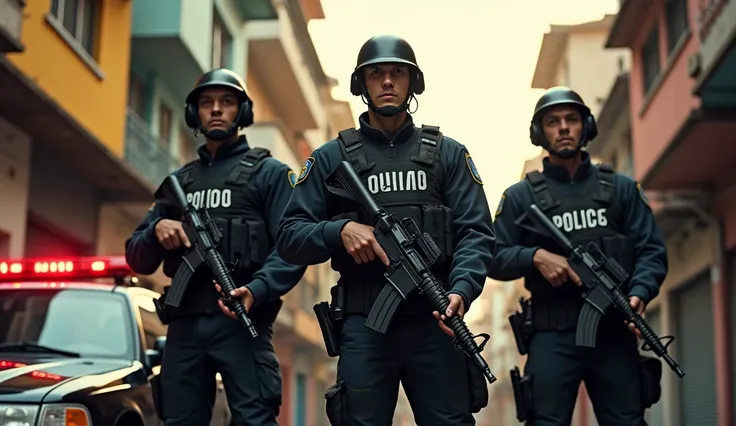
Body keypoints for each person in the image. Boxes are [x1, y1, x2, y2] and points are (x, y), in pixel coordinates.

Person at [275, 35, 495, 426]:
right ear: (363, 84)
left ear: (413, 83)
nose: (388, 82)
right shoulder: (331, 158)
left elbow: (476, 233)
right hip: (365, 325)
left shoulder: (447, 153)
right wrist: (338, 231)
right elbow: (290, 236)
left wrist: (462, 289)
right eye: (377, 74)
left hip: (436, 321)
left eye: (398, 73)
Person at [125, 68, 306, 426]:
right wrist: (157, 229)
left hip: (243, 321)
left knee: (254, 420)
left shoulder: (269, 174)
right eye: (207, 103)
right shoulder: (179, 182)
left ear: (242, 112)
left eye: (227, 101)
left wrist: (257, 289)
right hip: (184, 326)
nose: (217, 110)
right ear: (195, 114)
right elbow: (136, 256)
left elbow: (292, 247)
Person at [490, 86, 668, 426]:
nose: (563, 128)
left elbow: (651, 251)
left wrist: (639, 292)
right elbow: (492, 257)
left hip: (613, 330)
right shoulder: (520, 196)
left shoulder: (622, 189)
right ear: (539, 132)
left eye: (571, 119)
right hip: (551, 333)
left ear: (585, 126)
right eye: (553, 121)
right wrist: (536, 256)